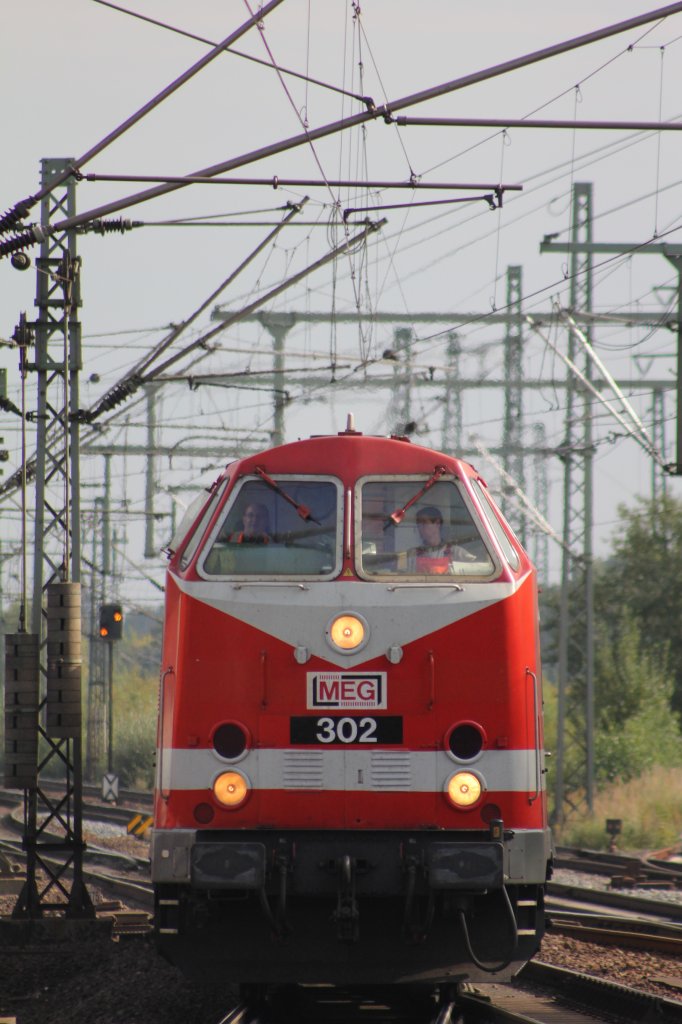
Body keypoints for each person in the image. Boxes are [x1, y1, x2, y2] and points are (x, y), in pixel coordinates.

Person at [409, 505, 473, 574]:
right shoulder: (413, 554)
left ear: (437, 523)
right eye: (418, 524)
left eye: (424, 522)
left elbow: (479, 567)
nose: (420, 527)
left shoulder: (455, 552)